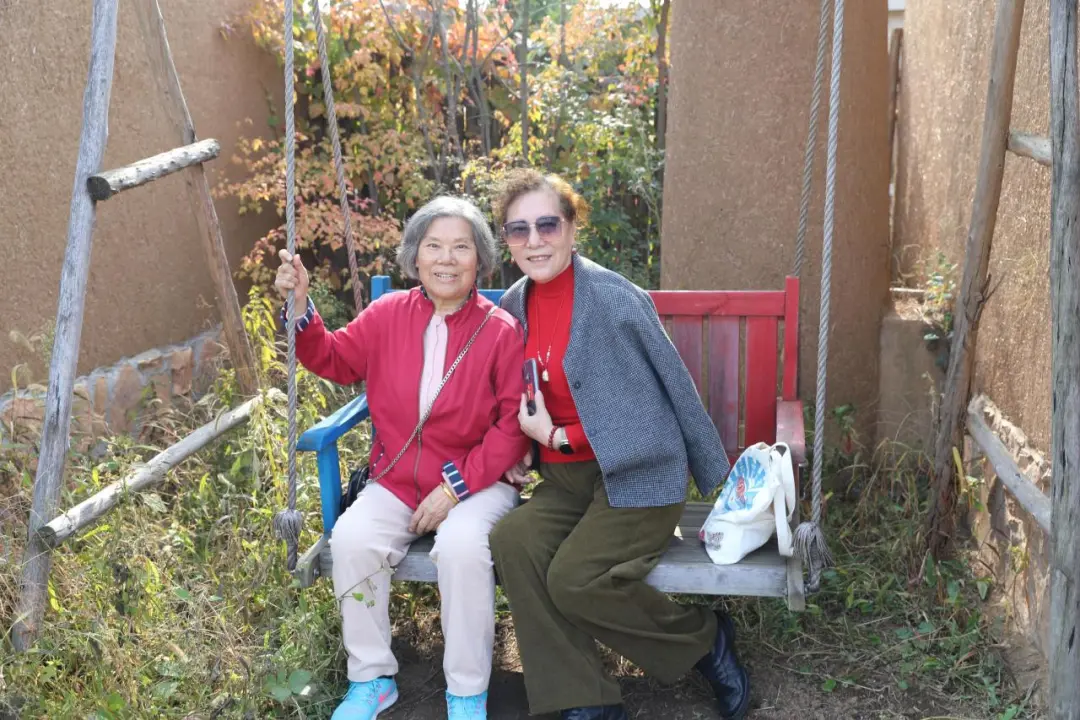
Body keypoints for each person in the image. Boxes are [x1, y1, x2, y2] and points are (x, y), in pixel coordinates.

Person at [488, 169, 751, 720]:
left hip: (640, 478)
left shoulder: (613, 300)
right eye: (518, 230)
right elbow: (515, 395)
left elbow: (653, 416)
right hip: (566, 482)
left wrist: (555, 436)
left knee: (574, 580)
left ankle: (704, 640)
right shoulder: (513, 305)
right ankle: (583, 697)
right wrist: (519, 450)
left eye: (546, 225)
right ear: (507, 240)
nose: (534, 240)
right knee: (514, 539)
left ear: (571, 227)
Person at [275, 195, 529, 720]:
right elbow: (334, 359)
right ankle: (372, 680)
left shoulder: (500, 330)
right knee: (352, 539)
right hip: (397, 479)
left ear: (479, 259)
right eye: (434, 246)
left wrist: (454, 488)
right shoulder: (387, 314)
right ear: (415, 257)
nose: (446, 259)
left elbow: (513, 428)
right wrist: (300, 305)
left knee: (462, 548)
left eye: (461, 247)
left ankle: (467, 692)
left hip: (478, 483)